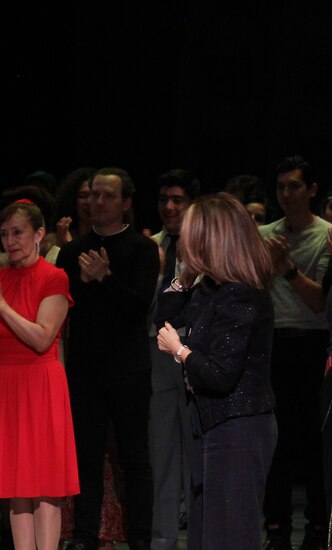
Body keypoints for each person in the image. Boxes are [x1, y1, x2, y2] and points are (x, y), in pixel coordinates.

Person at [154, 193, 277, 549]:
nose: (185, 242)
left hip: (238, 427)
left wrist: (180, 351)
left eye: (193, 234)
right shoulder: (210, 288)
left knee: (231, 535)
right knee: (206, 534)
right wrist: (185, 276)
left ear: (212, 239)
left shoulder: (242, 295)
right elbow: (166, 314)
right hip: (211, 423)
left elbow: (221, 375)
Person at [0, 199, 78, 550]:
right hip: (3, 382)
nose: (10, 241)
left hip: (39, 382)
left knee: (45, 487)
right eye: (5, 234)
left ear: (39, 234)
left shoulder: (54, 277)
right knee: (17, 489)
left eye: (19, 232)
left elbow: (42, 338)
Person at [54, 167, 157, 550]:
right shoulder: (71, 251)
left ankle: (140, 538)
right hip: (84, 369)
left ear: (126, 202)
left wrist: (105, 278)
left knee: (134, 457)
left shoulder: (143, 249)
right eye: (93, 195)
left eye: (107, 196)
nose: (97, 202)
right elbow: (68, 312)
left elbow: (138, 307)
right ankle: (85, 535)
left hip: (128, 368)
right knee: (87, 457)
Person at [258, 155, 330, 550]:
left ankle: (318, 527)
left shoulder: (326, 235)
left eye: (295, 186)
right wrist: (269, 265)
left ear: (312, 190)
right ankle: (277, 529)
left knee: (314, 442)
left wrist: (285, 267)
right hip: (272, 342)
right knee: (276, 440)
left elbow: (320, 300)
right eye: (282, 186)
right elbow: (249, 289)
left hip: (313, 343)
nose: (286, 194)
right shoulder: (265, 233)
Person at [146, 169, 199, 550]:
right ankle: (162, 538)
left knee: (197, 449)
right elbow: (151, 306)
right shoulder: (151, 245)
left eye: (177, 199)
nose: (169, 206)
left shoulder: (205, 243)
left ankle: (201, 534)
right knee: (161, 449)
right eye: (164, 198)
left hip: (197, 353)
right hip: (158, 352)